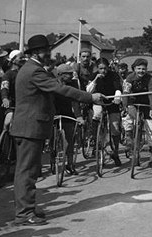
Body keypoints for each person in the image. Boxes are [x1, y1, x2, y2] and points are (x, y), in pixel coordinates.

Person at [11, 35, 104, 226]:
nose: (49, 53)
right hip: (30, 127)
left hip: (30, 126)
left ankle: (28, 206)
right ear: (37, 52)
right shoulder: (35, 71)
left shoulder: (31, 69)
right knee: (27, 171)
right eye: (46, 50)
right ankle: (24, 213)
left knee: (30, 170)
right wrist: (90, 97)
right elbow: (61, 89)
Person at [86, 57, 123, 166]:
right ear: (97, 68)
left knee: (115, 128)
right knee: (96, 115)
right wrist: (95, 80)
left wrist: (117, 96)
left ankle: (115, 151)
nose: (103, 71)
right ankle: (96, 138)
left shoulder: (114, 75)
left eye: (105, 68)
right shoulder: (93, 76)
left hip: (112, 102)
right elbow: (88, 90)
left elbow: (118, 87)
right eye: (101, 68)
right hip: (99, 101)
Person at [121, 58, 152, 168]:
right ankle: (131, 144)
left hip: (146, 103)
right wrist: (125, 107)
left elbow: (151, 93)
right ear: (134, 69)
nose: (141, 71)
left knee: (151, 127)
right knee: (129, 121)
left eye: (143, 69)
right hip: (133, 102)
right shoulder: (129, 78)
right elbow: (125, 93)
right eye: (139, 69)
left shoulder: (150, 78)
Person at [53, 63, 85, 175]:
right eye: (69, 74)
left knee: (69, 138)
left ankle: (70, 163)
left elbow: (75, 100)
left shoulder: (74, 83)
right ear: (60, 74)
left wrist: (79, 116)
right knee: (51, 136)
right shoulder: (52, 83)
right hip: (54, 112)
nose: (72, 75)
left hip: (68, 113)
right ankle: (53, 159)